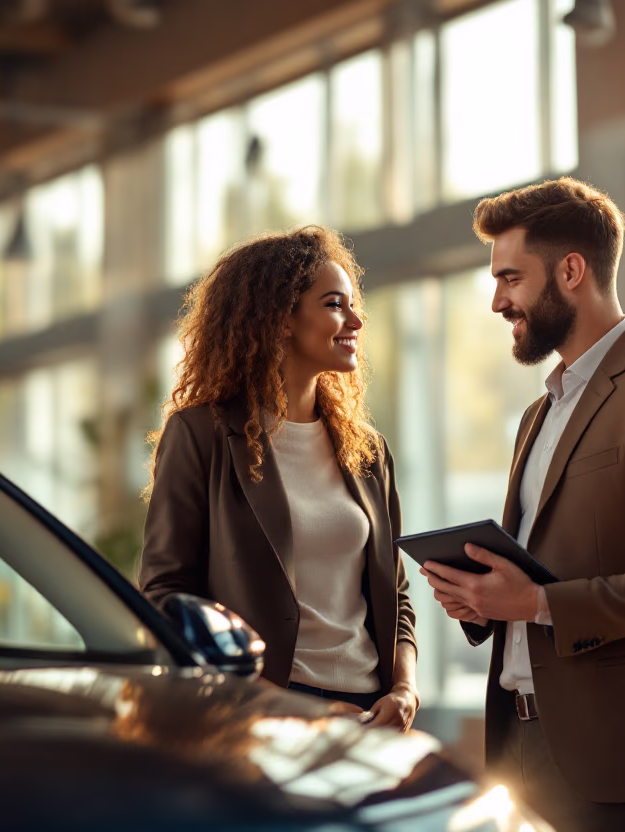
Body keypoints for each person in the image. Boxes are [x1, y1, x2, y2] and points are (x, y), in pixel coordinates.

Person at [421, 177, 625, 831]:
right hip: (521, 749)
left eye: (510, 278)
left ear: (570, 271)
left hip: (618, 758)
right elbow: (548, 562)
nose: (496, 301)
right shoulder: (540, 413)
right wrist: (481, 599)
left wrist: (535, 603)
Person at [140, 226, 419, 730]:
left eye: (353, 304)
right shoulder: (201, 435)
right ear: (281, 318)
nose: (356, 320)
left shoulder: (368, 452)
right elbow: (166, 594)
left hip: (372, 715)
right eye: (335, 304)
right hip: (260, 716)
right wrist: (264, 697)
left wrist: (404, 689)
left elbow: (396, 594)